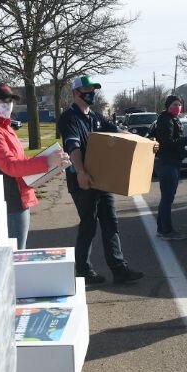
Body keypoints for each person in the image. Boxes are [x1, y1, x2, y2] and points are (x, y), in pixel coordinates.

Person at [59, 75, 154, 284]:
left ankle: (119, 269)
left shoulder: (95, 117)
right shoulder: (69, 118)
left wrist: (144, 142)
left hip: (102, 179)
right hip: (83, 180)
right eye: (88, 90)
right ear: (76, 93)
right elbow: (73, 147)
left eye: (94, 89)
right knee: (89, 225)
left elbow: (119, 132)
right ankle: (83, 270)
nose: (92, 93)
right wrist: (81, 172)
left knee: (110, 222)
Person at [0, 82, 69, 250]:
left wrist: (50, 168)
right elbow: (11, 166)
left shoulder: (3, 128)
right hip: (10, 201)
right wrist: (47, 162)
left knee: (15, 254)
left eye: (9, 100)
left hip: (17, 197)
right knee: (15, 256)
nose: (7, 105)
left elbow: (20, 160)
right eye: (2, 101)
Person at [154, 95, 187, 240]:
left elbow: (174, 142)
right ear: (168, 106)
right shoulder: (166, 120)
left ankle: (162, 228)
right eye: (174, 104)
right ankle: (166, 231)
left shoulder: (173, 119)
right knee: (167, 198)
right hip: (167, 162)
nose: (178, 107)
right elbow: (169, 143)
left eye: (179, 104)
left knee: (167, 198)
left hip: (171, 161)